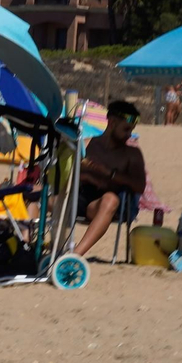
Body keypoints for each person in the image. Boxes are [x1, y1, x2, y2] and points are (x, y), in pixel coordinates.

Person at [72, 100, 147, 257]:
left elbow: (140, 186)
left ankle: (75, 255)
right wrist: (85, 176)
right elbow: (67, 174)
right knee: (35, 192)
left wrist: (110, 174)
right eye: (126, 129)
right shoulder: (87, 145)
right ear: (112, 122)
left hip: (109, 203)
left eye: (131, 130)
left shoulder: (132, 155)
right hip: (80, 198)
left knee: (110, 199)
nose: (129, 135)